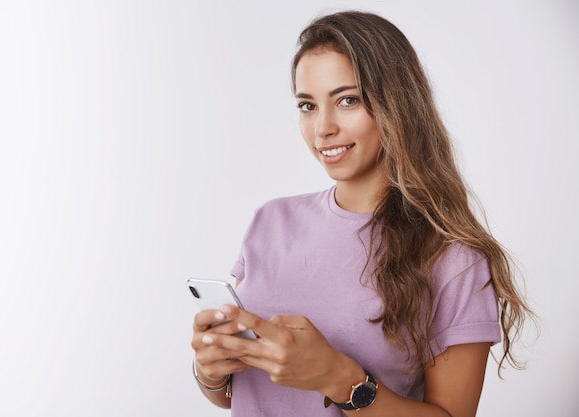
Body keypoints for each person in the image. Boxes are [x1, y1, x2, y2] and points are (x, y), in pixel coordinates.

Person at [190, 10, 534, 417]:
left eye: (347, 100)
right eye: (307, 105)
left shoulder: (453, 258)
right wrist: (210, 373)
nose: (323, 128)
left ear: (397, 105)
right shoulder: (270, 222)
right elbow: (244, 394)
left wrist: (339, 378)